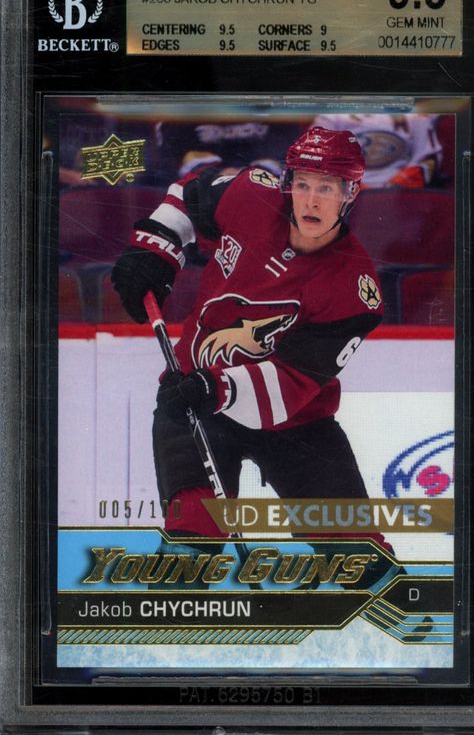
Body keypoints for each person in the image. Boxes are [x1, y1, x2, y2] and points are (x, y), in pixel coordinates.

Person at [111, 127, 397, 590]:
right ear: (287, 183)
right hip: (193, 403)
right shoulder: (250, 195)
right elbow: (188, 194)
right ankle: (170, 629)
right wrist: (155, 249)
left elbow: (290, 384)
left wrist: (216, 387)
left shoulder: (354, 288)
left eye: (327, 188)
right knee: (190, 545)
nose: (311, 201)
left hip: (296, 424)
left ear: (351, 193)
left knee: (360, 557)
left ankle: (403, 627)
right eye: (303, 184)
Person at [313, 113, 443, 188]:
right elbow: (318, 159)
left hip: (400, 199)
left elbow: (427, 159)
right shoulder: (331, 116)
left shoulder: (415, 115)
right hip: (346, 201)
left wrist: (398, 185)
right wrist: (350, 188)